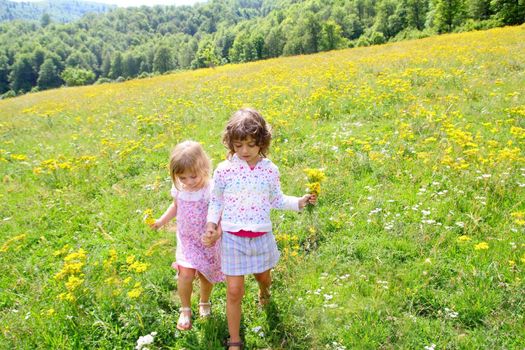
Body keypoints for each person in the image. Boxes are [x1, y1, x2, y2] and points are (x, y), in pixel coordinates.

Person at [202, 108, 316, 350]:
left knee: (264, 277)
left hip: (262, 235)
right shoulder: (224, 170)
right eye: (238, 145)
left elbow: (276, 199)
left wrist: (299, 202)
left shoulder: (270, 169)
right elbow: (217, 201)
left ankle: (264, 294)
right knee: (234, 291)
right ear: (230, 143)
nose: (244, 151)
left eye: (251, 145)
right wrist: (212, 224)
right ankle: (234, 340)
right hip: (232, 237)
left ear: (262, 142)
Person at [150, 140, 223, 331]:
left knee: (206, 275)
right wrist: (161, 221)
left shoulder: (210, 188)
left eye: (193, 176)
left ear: (204, 167)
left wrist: (216, 232)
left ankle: (204, 302)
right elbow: (176, 206)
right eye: (182, 177)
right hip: (187, 240)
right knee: (185, 274)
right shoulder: (180, 188)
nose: (189, 182)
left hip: (207, 241)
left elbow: (220, 212)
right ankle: (185, 309)